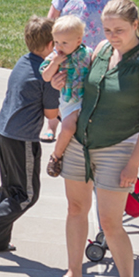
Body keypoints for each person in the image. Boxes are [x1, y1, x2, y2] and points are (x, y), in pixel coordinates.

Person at [50, 0, 139, 277]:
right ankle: (74, 273)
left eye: (120, 30)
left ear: (136, 26)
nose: (112, 35)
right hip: (79, 146)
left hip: (118, 149)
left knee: (110, 222)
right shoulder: (101, 50)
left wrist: (134, 161)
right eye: (107, 29)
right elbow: (79, 83)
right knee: (76, 208)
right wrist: (61, 80)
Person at [0, 16, 59, 262]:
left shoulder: (24, 61)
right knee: (27, 195)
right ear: (50, 44)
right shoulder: (45, 73)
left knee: (9, 189)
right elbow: (51, 114)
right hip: (22, 138)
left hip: (2, 131)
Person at [41, 0, 113, 141]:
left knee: (84, 90)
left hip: (90, 55)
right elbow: (51, 20)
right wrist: (53, 47)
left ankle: (79, 127)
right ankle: (51, 125)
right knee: (57, 86)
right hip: (64, 51)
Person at [39, 16, 90, 178]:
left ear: (78, 40)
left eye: (64, 43)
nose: (59, 47)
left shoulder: (87, 53)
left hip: (87, 98)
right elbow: (45, 76)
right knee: (68, 127)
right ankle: (56, 156)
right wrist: (55, 63)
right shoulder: (55, 56)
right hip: (70, 101)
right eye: (56, 42)